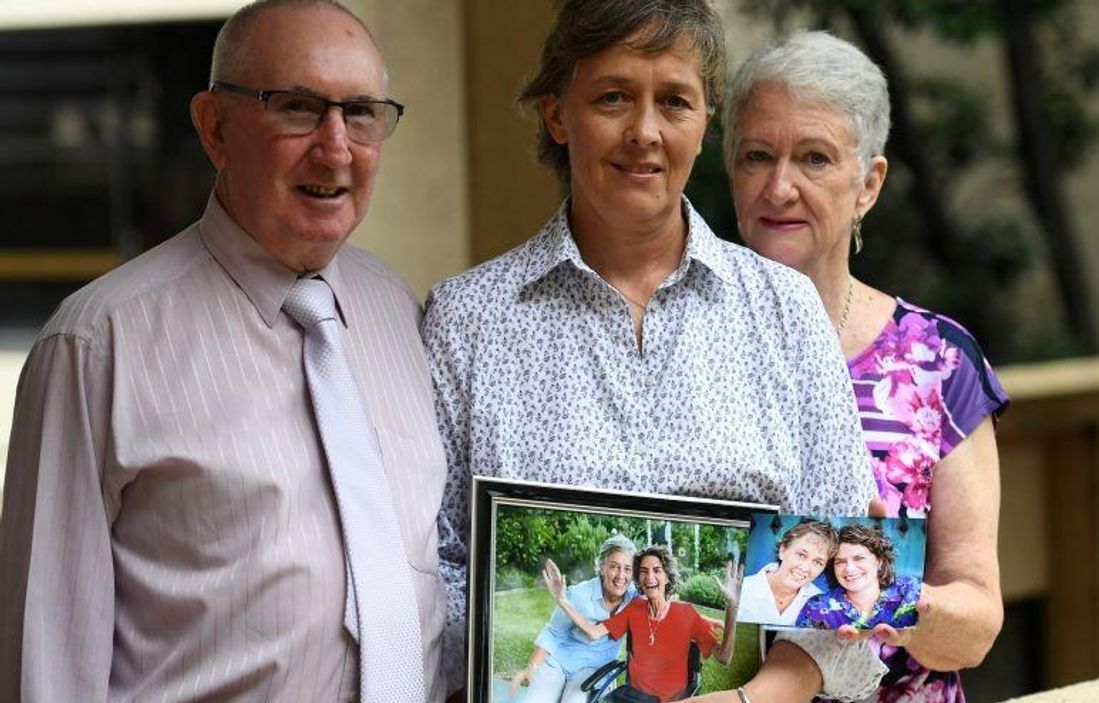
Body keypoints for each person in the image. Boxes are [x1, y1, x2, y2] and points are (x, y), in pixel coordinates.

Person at [424, 1, 883, 701]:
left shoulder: (784, 310)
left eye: (673, 101)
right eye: (612, 97)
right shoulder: (466, 320)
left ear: (705, 124)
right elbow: (435, 563)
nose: (644, 132)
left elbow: (843, 552)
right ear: (555, 114)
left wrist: (749, 697)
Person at [0, 2, 447, 701]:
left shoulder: (396, 310)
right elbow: (45, 666)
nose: (335, 147)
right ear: (214, 127)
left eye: (361, 113)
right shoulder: (96, 344)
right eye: (298, 108)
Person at [722, 30, 1010, 702]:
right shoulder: (680, 340)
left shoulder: (936, 362)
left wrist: (887, 598)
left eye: (814, 158)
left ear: (867, 185)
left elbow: (974, 622)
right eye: (756, 156)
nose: (779, 185)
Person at [543, 546, 738, 703]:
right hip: (631, 698)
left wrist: (732, 608)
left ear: (668, 577)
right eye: (643, 571)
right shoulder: (634, 608)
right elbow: (593, 633)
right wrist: (562, 600)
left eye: (657, 571)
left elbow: (724, 657)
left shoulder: (686, 613)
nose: (649, 577)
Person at [512, 535, 641, 703]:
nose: (620, 575)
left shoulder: (634, 599)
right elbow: (553, 632)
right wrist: (532, 667)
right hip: (559, 662)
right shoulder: (580, 594)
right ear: (602, 568)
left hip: (593, 668)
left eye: (627, 569)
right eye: (614, 567)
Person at [796, 524, 921, 632]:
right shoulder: (816, 607)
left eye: (859, 558)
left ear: (879, 561)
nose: (849, 568)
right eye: (840, 561)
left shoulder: (910, 591)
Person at [737, 520, 835, 627]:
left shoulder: (822, 604)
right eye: (801, 555)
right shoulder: (744, 589)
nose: (805, 568)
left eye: (817, 562)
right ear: (782, 551)